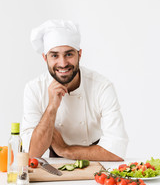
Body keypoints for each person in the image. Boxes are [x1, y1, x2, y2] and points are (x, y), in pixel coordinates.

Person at [21, 19, 128, 161]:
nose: (63, 63)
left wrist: (65, 150)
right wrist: (52, 107)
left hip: (97, 162)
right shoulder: (34, 89)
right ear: (45, 58)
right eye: (54, 55)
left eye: (69, 54)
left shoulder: (101, 87)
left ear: (80, 54)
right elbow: (31, 153)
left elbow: (117, 151)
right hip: (55, 166)